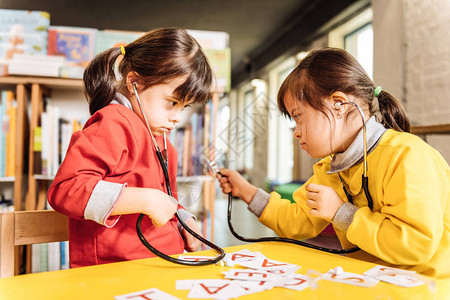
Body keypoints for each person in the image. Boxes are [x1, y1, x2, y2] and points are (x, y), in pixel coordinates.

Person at [218, 48, 450, 278]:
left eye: (298, 117)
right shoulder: (332, 169)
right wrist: (244, 190)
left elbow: (416, 244)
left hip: (426, 286)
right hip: (374, 284)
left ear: (338, 104)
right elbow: (297, 220)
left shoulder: (407, 155)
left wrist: (341, 212)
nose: (296, 133)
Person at [48, 28, 213, 268]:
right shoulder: (113, 123)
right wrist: (145, 199)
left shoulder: (163, 142)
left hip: (160, 265)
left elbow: (165, 200)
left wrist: (182, 219)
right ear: (134, 82)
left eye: (184, 107)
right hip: (115, 272)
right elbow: (66, 189)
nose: (177, 117)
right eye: (172, 102)